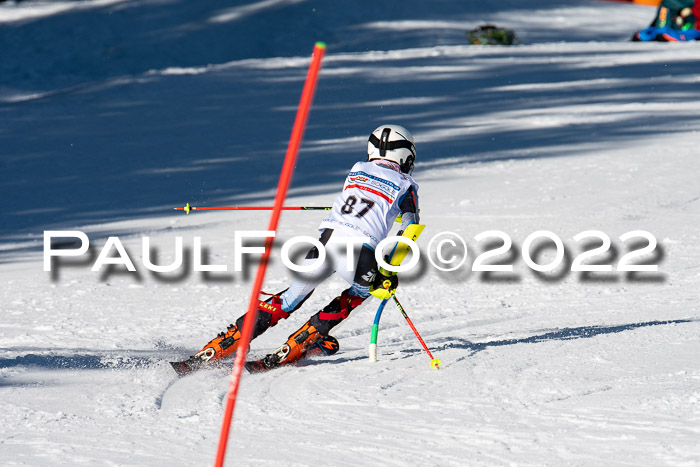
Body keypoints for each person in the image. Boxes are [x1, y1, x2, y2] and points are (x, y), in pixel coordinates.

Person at [172, 124, 420, 374]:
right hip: (359, 253)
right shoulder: (405, 183)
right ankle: (307, 339)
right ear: (404, 156)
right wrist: (388, 271)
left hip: (323, 243)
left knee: (291, 297)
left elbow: (363, 201)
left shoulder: (357, 169)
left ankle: (223, 344)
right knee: (365, 290)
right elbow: (411, 227)